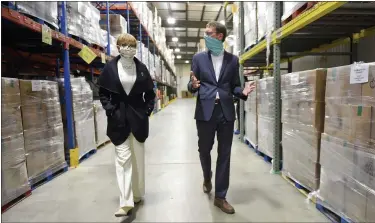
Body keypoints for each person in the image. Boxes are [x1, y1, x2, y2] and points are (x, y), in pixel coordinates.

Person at [187, 21, 255, 214]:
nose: (206, 36)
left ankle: (220, 196)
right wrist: (193, 86)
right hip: (205, 111)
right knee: (204, 149)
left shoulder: (233, 60)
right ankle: (207, 176)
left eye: (209, 33)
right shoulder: (198, 59)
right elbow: (191, 85)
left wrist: (243, 91)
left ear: (219, 37)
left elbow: (234, 85)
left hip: (225, 112)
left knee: (224, 154)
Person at [98, 33, 156, 217]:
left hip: (138, 120)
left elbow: (150, 94)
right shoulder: (110, 68)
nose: (128, 48)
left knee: (138, 159)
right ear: (118, 47)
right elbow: (103, 93)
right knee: (123, 160)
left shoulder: (142, 69)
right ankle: (125, 202)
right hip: (118, 120)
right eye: (124, 45)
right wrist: (111, 110)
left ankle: (137, 194)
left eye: (131, 45)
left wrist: (146, 111)